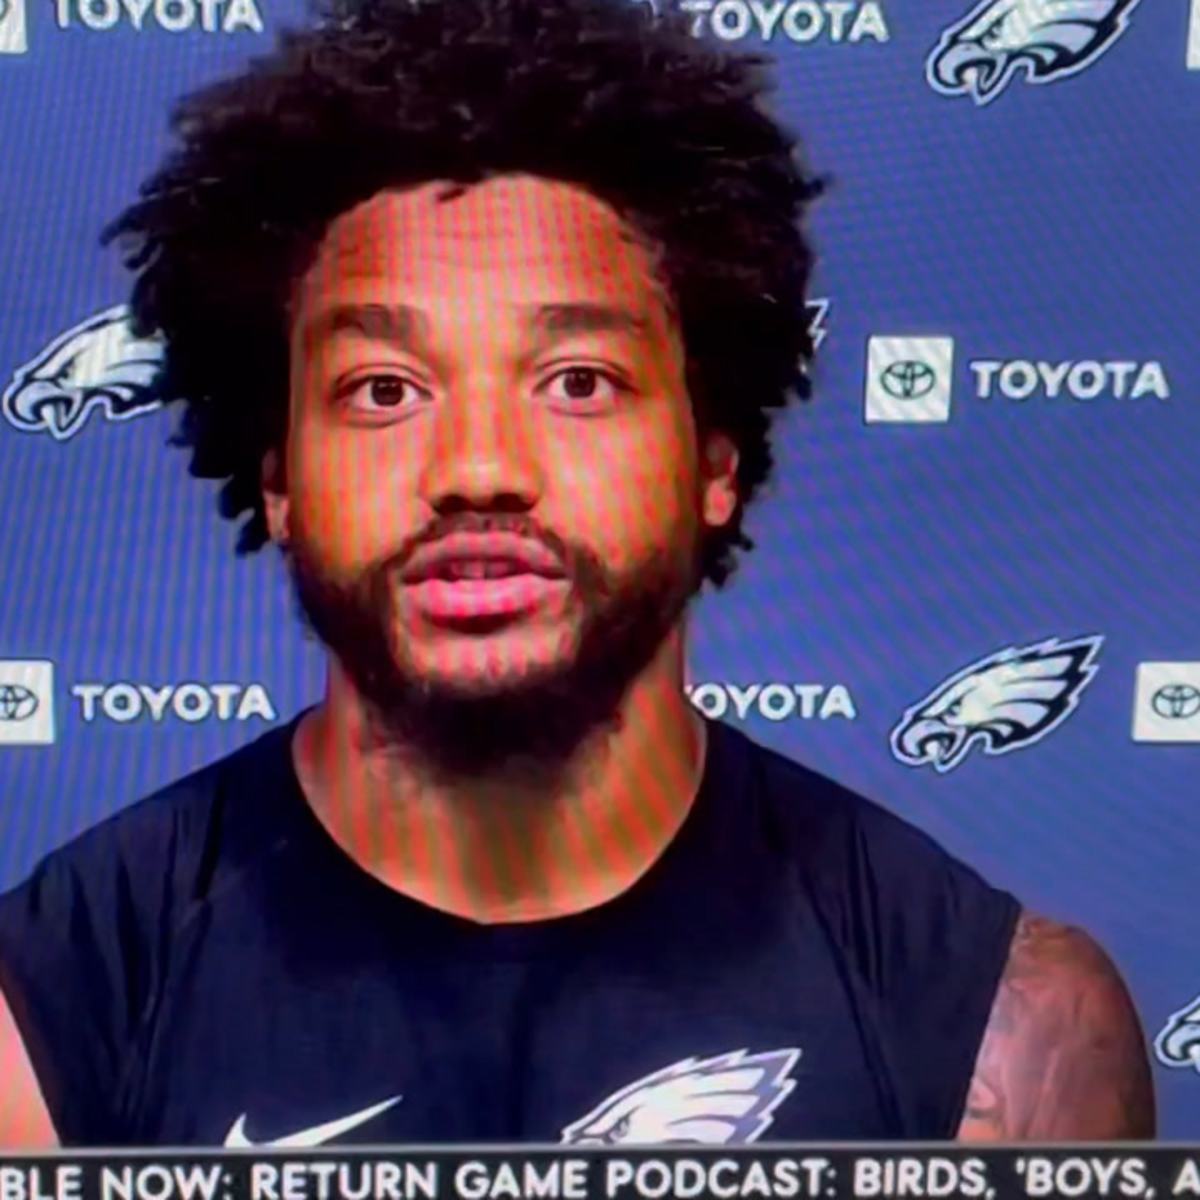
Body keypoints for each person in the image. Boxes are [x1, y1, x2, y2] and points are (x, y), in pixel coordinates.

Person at [0, 0, 1154, 1148]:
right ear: (280, 481)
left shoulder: (999, 1032)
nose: (480, 469)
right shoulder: (51, 1013)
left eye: (579, 381)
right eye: (384, 391)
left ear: (715, 460)